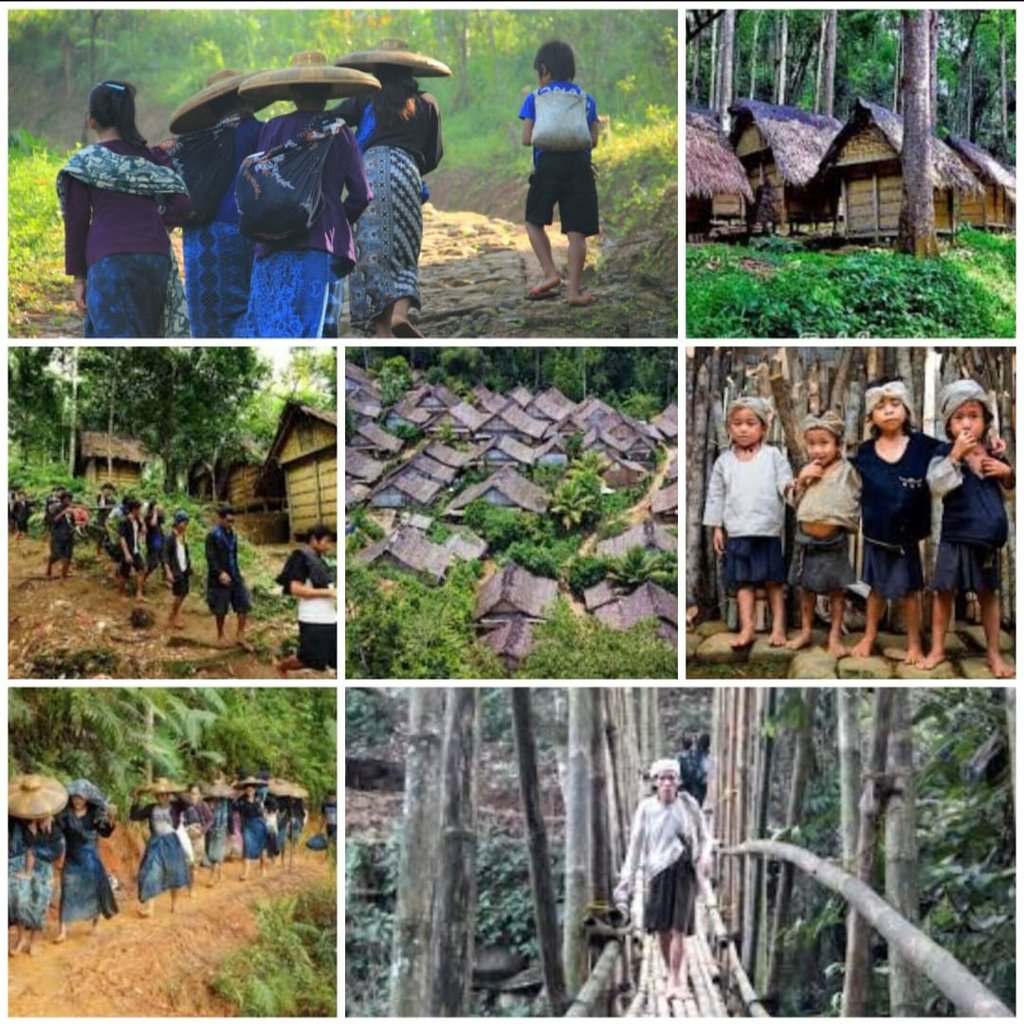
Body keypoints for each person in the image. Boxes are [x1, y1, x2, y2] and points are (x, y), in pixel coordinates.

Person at [236, 51, 376, 338]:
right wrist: (337, 221)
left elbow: (260, 182)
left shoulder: (273, 128)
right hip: (321, 242)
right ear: (327, 94)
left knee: (270, 326)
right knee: (313, 332)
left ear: (292, 93)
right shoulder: (339, 132)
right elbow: (362, 193)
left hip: (272, 241)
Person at [57, 81, 191, 337]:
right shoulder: (152, 158)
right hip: (155, 258)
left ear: (92, 121)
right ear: (129, 116)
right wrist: (155, 220)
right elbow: (181, 201)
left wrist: (79, 278)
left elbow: (76, 223)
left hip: (108, 261)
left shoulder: (83, 165)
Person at [335, 39, 449, 337]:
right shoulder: (427, 102)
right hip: (406, 175)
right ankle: (400, 312)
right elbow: (433, 155)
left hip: (367, 175)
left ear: (377, 69)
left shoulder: (366, 99)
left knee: (371, 253)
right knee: (405, 247)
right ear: (410, 69)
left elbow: (332, 120)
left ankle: (382, 332)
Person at [922, 380, 1015, 676]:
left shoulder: (994, 454)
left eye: (973, 416)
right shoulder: (943, 453)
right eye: (959, 417)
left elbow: (1010, 494)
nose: (966, 424)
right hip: (955, 536)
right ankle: (938, 649)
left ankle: (993, 653)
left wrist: (1007, 473)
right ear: (949, 426)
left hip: (987, 540)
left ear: (985, 421)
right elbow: (936, 486)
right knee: (944, 592)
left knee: (988, 594)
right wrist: (955, 456)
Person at [849, 378, 944, 664]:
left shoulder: (924, 447)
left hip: (907, 536)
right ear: (871, 416)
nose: (889, 410)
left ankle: (914, 643)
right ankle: (869, 636)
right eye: (880, 406)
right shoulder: (864, 453)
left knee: (910, 591)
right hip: (876, 534)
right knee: (875, 589)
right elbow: (844, 477)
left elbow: (956, 452)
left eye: (895, 403)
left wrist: (991, 444)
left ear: (907, 409)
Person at [169, 70, 269, 337]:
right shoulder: (260, 132)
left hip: (199, 237)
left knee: (205, 316)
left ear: (212, 108)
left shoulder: (200, 141)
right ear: (246, 99)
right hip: (241, 230)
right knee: (245, 310)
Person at [614, 760, 712, 999]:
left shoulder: (688, 804)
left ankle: (676, 982)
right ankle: (672, 975)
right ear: (655, 782)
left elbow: (705, 836)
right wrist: (627, 878)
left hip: (684, 871)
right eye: (662, 778)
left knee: (679, 929)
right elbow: (636, 845)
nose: (667, 783)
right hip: (657, 872)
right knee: (662, 930)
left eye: (671, 778)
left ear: (678, 781)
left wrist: (705, 855)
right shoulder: (646, 808)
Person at [702, 396, 793, 647]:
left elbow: (785, 483)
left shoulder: (773, 456)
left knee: (774, 581)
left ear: (763, 428)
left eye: (750, 423)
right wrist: (717, 527)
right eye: (737, 423)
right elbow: (716, 495)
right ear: (729, 428)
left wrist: (793, 490)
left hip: (767, 530)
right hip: (738, 531)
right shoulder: (724, 462)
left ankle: (778, 628)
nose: (743, 429)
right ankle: (748, 628)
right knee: (743, 583)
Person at [519, 40, 600, 307]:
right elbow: (593, 140)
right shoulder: (586, 99)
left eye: (538, 72)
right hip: (579, 167)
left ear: (544, 69)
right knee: (577, 232)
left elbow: (527, 138)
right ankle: (574, 291)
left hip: (547, 167)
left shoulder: (535, 98)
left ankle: (550, 273)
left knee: (534, 221)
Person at [785, 411, 862, 658]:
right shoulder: (807, 471)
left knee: (836, 591)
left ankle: (835, 635)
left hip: (833, 542)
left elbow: (855, 498)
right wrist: (801, 480)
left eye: (824, 443)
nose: (817, 450)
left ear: (838, 445)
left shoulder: (847, 471)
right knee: (806, 590)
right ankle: (806, 631)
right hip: (805, 541)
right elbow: (794, 502)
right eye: (812, 444)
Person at [55, 783, 117, 943]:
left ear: (87, 798)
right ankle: (62, 931)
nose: (77, 800)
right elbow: (56, 833)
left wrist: (111, 819)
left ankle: (95, 925)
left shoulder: (95, 814)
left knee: (94, 893)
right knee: (67, 892)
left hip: (90, 859)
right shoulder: (65, 815)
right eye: (74, 797)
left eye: (80, 797)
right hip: (71, 859)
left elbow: (105, 832)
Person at [274, 523, 337, 676]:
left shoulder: (318, 559)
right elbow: (296, 589)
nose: (329, 546)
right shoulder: (300, 558)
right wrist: (329, 593)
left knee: (335, 658)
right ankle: (281, 666)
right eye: (327, 541)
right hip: (313, 618)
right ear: (314, 539)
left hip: (329, 617)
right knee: (309, 658)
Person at [129, 778, 190, 917]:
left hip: (171, 842)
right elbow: (134, 816)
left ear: (168, 795)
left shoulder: (176, 806)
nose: (161, 797)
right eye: (158, 795)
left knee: (174, 873)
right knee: (151, 871)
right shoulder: (151, 808)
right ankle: (150, 909)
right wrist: (136, 798)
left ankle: (174, 904)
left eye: (164, 794)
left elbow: (188, 804)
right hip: (155, 842)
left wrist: (175, 791)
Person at [205, 506, 253, 651]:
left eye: (233, 521)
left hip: (234, 575)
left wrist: (238, 573)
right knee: (221, 608)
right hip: (219, 577)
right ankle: (220, 635)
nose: (231, 523)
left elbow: (234, 556)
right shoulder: (212, 535)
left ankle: (240, 635)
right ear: (220, 519)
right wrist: (220, 573)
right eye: (228, 520)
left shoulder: (233, 534)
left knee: (243, 603)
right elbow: (211, 557)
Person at [179, 784, 213, 898]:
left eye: (196, 794)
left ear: (200, 795)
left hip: (198, 837)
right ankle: (187, 884)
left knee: (195, 864)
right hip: (186, 836)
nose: (194, 796)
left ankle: (192, 889)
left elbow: (210, 820)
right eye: (192, 793)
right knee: (187, 862)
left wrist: (202, 831)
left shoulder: (203, 805)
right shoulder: (183, 805)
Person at [235, 777, 268, 880]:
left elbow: (266, 810)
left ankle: (263, 868)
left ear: (255, 789)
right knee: (247, 846)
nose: (249, 790)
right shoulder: (241, 800)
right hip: (247, 825)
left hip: (259, 825)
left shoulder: (260, 798)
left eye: (252, 788)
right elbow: (235, 809)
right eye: (247, 788)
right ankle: (246, 872)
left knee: (262, 847)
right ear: (245, 789)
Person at [202, 781, 233, 887]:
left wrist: (230, 831)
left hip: (220, 831)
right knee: (214, 853)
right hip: (210, 831)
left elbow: (227, 818)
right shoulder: (209, 802)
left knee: (215, 855)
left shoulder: (224, 803)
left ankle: (212, 878)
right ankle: (220, 875)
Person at [165, 510, 192, 629]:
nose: (185, 526)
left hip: (184, 569)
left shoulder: (182, 536)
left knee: (184, 593)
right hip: (176, 570)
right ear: (178, 523)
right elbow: (165, 556)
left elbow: (184, 553)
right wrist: (168, 572)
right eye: (184, 523)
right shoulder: (170, 538)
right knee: (179, 594)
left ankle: (173, 614)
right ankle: (174, 616)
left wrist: (188, 566)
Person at [118, 497, 147, 602]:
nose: (140, 511)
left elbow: (144, 531)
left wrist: (142, 521)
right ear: (134, 509)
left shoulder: (137, 521)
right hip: (127, 550)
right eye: (139, 509)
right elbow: (122, 538)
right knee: (124, 573)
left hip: (135, 550)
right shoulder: (124, 521)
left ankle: (139, 593)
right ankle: (121, 593)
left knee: (141, 569)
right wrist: (126, 554)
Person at [46, 489, 76, 579]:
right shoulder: (55, 508)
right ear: (62, 500)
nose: (68, 501)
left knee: (68, 556)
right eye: (66, 499)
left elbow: (73, 522)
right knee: (56, 555)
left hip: (69, 536)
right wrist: (64, 512)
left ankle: (64, 576)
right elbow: (53, 520)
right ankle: (49, 565)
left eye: (70, 499)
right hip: (58, 536)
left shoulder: (71, 510)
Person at [144, 497, 168, 587]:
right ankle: (143, 578)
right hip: (152, 541)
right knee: (153, 563)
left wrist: (160, 511)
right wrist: (154, 513)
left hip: (160, 538)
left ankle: (165, 579)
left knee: (164, 559)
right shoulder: (148, 517)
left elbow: (163, 520)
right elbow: (153, 524)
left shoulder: (158, 516)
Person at [95, 483, 117, 556]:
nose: (108, 491)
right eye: (106, 489)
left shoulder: (112, 500)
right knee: (100, 535)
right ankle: (98, 553)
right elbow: (101, 506)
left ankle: (108, 552)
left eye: (110, 490)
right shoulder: (99, 497)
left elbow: (113, 509)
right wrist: (102, 496)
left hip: (110, 520)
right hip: (101, 519)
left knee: (109, 536)